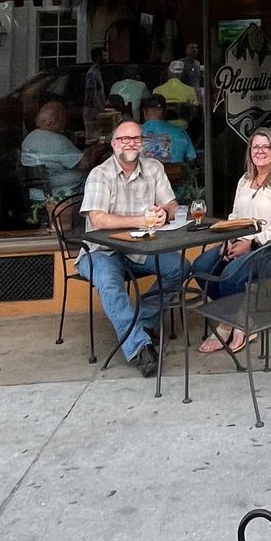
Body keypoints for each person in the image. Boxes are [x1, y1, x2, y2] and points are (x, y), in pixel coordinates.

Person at [77, 119, 181, 377]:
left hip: (139, 248)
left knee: (180, 267)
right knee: (109, 283)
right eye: (124, 139)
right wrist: (141, 220)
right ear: (114, 145)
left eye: (136, 138)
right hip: (101, 250)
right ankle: (140, 347)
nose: (131, 143)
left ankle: (139, 324)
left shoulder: (154, 168)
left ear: (142, 143)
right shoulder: (100, 174)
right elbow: (98, 220)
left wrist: (163, 214)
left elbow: (172, 205)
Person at [194, 129, 271, 355]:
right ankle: (241, 317)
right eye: (255, 147)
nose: (260, 151)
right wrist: (230, 240)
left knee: (231, 273)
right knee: (201, 267)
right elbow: (236, 217)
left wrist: (253, 243)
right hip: (248, 243)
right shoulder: (245, 179)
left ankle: (229, 325)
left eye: (266, 147)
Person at [21, 99, 83, 195]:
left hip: (35, 196)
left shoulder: (28, 138)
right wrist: (95, 151)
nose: (66, 123)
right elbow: (84, 164)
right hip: (59, 197)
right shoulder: (59, 140)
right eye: (64, 118)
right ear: (55, 120)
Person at [139, 93, 197, 167]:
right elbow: (191, 160)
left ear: (144, 112)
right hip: (174, 177)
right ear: (165, 112)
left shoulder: (133, 134)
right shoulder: (180, 133)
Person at [83, 47, 108, 114]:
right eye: (104, 56)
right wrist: (100, 109)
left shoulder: (98, 72)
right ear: (98, 57)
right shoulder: (92, 73)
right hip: (93, 111)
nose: (106, 58)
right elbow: (92, 93)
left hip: (97, 110)